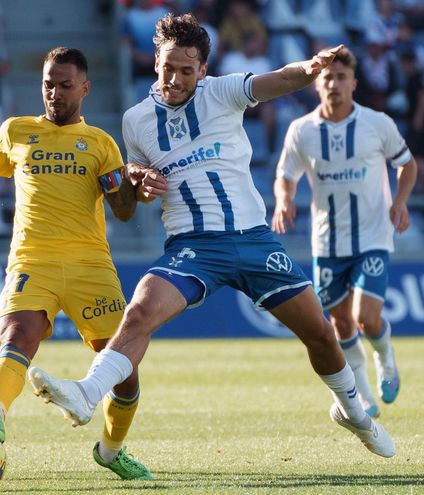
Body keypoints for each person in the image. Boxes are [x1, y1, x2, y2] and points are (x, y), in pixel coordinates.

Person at [27, 13, 396, 462]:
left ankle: (355, 413)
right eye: (167, 68)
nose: (175, 78)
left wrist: (310, 68)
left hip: (254, 239)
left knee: (319, 333)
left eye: (186, 70)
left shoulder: (221, 92)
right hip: (193, 246)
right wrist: (139, 183)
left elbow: (277, 79)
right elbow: (139, 191)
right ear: (155, 63)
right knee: (141, 307)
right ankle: (86, 393)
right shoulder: (136, 120)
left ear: (202, 70)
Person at [0, 47, 154, 480]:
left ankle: (110, 449)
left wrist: (128, 184)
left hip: (91, 266)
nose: (55, 93)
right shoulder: (16, 132)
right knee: (18, 334)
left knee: (125, 373)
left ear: (84, 88)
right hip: (34, 259)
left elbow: (123, 211)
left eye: (65, 85)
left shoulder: (101, 144)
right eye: (49, 83)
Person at [272, 47, 417, 419]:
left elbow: (407, 164)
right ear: (316, 84)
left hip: (372, 236)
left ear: (353, 82)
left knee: (366, 318)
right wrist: (284, 201)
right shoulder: (302, 130)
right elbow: (285, 175)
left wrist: (400, 201)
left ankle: (385, 355)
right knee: (340, 323)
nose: (333, 83)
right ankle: (365, 395)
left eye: (340, 77)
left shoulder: (377, 123)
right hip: (327, 241)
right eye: (326, 77)